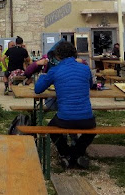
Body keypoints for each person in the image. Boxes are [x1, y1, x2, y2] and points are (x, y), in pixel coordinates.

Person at [34, 41, 95, 169]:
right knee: (91, 129)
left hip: (65, 118)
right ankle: (77, 154)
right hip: (87, 118)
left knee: (51, 128)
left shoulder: (55, 70)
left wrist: (42, 76)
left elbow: (38, 89)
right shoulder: (85, 68)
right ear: (74, 54)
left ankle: (66, 154)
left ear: (58, 56)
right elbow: (90, 85)